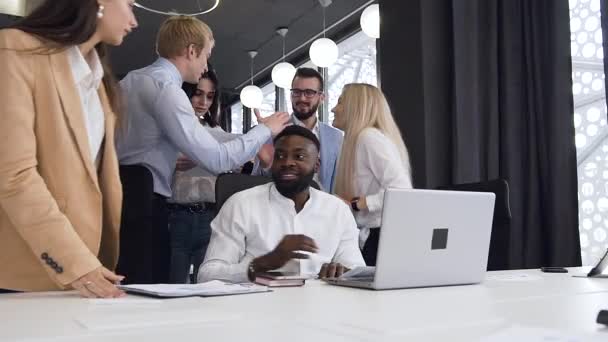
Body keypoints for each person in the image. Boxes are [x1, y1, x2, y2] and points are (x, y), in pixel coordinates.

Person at [115, 16, 289, 284]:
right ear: (191, 51)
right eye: (206, 55)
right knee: (148, 294)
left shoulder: (129, 81)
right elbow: (219, 159)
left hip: (120, 194)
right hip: (144, 204)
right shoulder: (166, 90)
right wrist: (266, 129)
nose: (206, 64)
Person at [0, 0, 138, 297]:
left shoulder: (100, 86)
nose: (134, 20)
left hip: (82, 276)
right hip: (22, 275)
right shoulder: (14, 49)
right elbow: (13, 175)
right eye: (130, 4)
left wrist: (88, 263)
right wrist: (75, 262)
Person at [198, 125, 365, 283]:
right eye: (280, 156)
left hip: (321, 307)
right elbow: (208, 274)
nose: (287, 163)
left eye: (299, 156)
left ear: (316, 165)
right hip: (256, 308)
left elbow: (357, 270)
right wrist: (263, 264)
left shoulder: (337, 210)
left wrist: (341, 272)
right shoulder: (240, 204)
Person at [168, 68, 240, 283]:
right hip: (175, 216)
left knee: (207, 286)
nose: (203, 102)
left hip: (210, 215)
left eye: (210, 96)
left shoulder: (218, 133)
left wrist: (231, 165)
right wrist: (169, 164)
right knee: (172, 286)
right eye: (198, 94)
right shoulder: (170, 127)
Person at [332, 83, 413, 266]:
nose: (333, 108)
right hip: (374, 237)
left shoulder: (369, 138)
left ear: (356, 106)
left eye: (340, 102)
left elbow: (402, 190)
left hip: (380, 240)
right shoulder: (360, 141)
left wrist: (356, 203)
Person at [257, 68, 343, 192]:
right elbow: (256, 181)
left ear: (322, 97)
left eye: (309, 92)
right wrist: (266, 165)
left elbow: (336, 183)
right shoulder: (273, 129)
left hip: (323, 207)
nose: (302, 98)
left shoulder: (335, 137)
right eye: (296, 92)